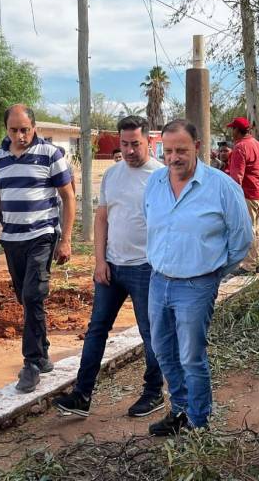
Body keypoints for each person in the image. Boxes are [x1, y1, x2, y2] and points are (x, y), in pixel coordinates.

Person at [143, 119, 252, 435]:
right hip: (158, 280)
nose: (174, 157)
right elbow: (153, 225)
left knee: (191, 356)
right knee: (163, 349)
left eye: (182, 150)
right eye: (169, 150)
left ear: (198, 147)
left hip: (197, 284)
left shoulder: (222, 187)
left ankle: (198, 421)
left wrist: (214, 273)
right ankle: (179, 411)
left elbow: (241, 239)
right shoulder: (155, 183)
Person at [53, 116, 165, 418]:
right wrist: (100, 260)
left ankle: (154, 392)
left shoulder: (161, 176)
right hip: (111, 268)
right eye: (125, 144)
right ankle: (82, 394)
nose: (129, 151)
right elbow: (102, 218)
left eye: (136, 144)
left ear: (148, 143)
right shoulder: (113, 176)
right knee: (96, 330)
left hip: (146, 268)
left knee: (151, 333)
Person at [0, 104, 75, 394]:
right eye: (14, 130)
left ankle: (31, 363)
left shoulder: (50, 154)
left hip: (42, 236)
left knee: (34, 295)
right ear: (6, 130)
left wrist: (66, 239)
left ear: (34, 128)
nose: (20, 135)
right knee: (26, 298)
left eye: (25, 129)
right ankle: (43, 352)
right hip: (12, 240)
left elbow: (68, 197)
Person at [226, 117, 259, 275]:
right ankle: (256, 262)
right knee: (254, 229)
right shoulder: (257, 144)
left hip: (248, 194)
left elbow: (237, 177)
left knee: (247, 230)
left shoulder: (240, 147)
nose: (231, 132)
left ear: (238, 130)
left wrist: (232, 199)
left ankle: (249, 265)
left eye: (233, 129)